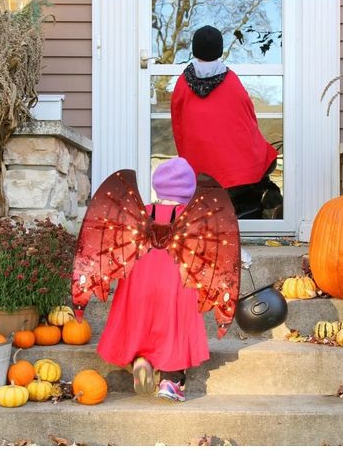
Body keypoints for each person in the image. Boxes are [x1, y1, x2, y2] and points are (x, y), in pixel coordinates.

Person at [96, 157, 210, 402]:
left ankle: (142, 360)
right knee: (173, 329)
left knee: (142, 322)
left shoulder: (141, 214)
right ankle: (170, 380)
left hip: (140, 282)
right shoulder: (192, 218)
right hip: (175, 285)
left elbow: (120, 247)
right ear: (189, 191)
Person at [171, 25, 282, 219]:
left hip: (200, 161)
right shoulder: (230, 80)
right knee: (264, 159)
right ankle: (257, 209)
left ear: (195, 50)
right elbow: (248, 116)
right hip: (236, 161)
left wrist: (185, 157)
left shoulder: (182, 82)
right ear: (219, 50)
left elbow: (177, 124)